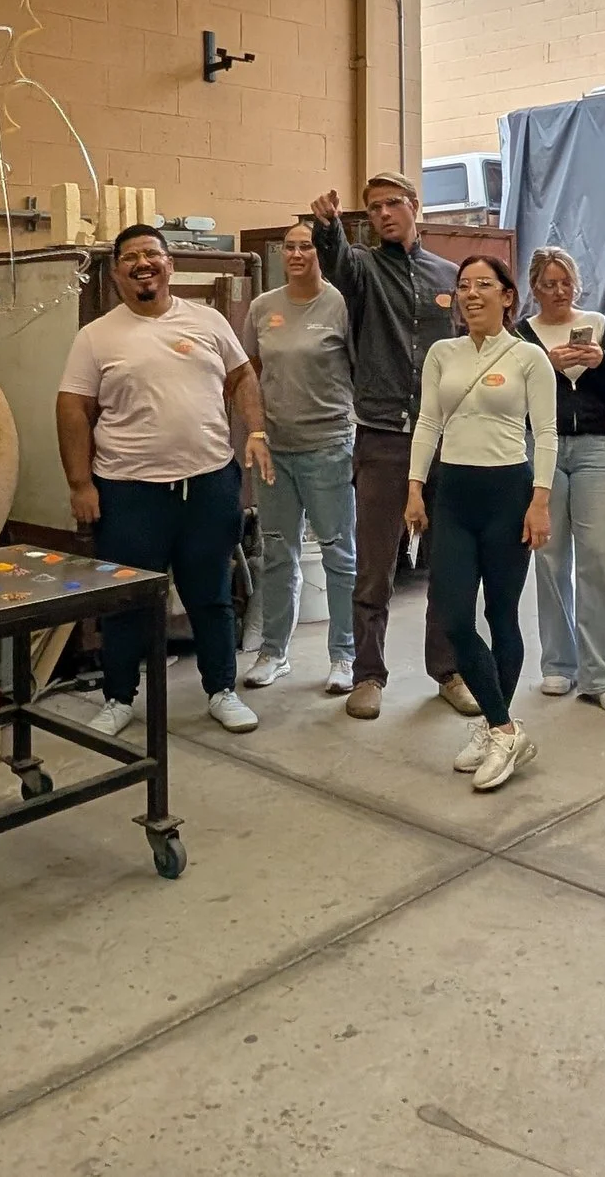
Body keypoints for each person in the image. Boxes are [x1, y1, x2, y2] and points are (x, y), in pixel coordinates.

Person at [58, 224, 271, 738]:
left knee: (211, 594)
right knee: (126, 600)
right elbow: (73, 409)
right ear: (116, 274)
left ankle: (221, 689)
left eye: (152, 253)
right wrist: (80, 484)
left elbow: (242, 375)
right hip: (129, 492)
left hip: (207, 485)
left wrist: (257, 429)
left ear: (169, 265)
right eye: (129, 257)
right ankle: (118, 697)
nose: (142, 263)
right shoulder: (97, 337)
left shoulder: (208, 321)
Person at [311, 174, 465, 721]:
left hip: (444, 439)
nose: (383, 214)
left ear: (415, 206)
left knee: (447, 564)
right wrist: (327, 228)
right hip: (382, 437)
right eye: (373, 208)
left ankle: (447, 670)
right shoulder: (362, 270)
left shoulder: (450, 277)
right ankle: (369, 675)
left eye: (393, 203)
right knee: (376, 565)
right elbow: (337, 262)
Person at [407, 255, 557, 792]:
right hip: (453, 494)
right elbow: (428, 422)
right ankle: (504, 728)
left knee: (501, 613)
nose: (471, 295)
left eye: (484, 285)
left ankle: (495, 726)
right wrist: (415, 488)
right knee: (451, 616)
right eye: (463, 286)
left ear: (508, 296)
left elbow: (547, 433)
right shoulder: (442, 353)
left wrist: (539, 501)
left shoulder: (527, 358)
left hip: (508, 493)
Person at [242, 219, 357, 694]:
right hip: (276, 451)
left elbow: (361, 368)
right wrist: (256, 432)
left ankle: (345, 655)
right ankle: (274, 652)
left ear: (319, 253)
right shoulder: (262, 308)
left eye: (306, 246)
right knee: (277, 553)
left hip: (329, 445)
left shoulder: (341, 305)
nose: (296, 254)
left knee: (339, 553)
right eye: (289, 247)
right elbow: (248, 373)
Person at [518, 246, 605, 711]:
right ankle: (558, 664)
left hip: (595, 446)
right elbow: (510, 392)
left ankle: (603, 674)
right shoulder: (521, 336)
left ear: (577, 285)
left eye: (566, 282)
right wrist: (544, 364)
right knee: (548, 559)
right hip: (540, 448)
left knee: (597, 557)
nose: (559, 291)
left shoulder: (604, 328)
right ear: (534, 288)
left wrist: (597, 361)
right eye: (548, 283)